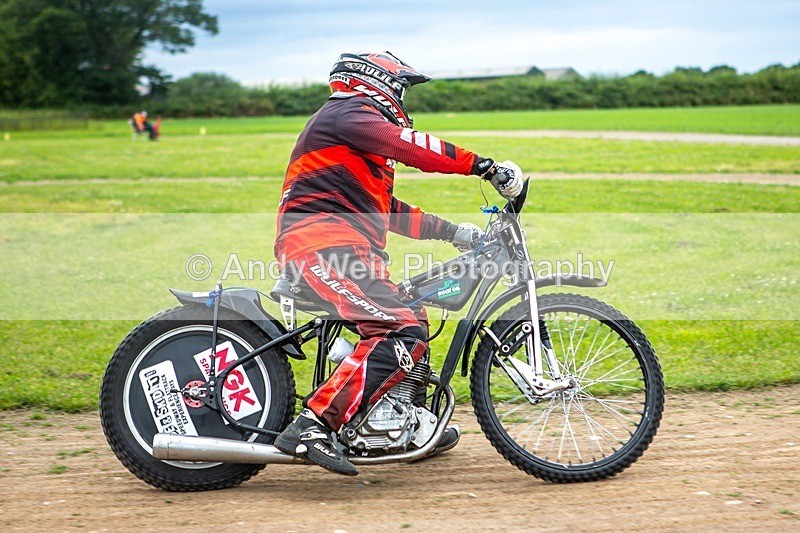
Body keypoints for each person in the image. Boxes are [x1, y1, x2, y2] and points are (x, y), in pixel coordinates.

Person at [273, 52, 524, 476]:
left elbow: (385, 209)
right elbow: (409, 146)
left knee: (413, 310)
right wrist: (482, 166)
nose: (403, 98)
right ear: (376, 80)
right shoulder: (348, 112)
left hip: (343, 248)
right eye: (401, 87)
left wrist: (457, 234)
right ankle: (313, 425)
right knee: (398, 327)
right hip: (321, 244)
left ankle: (401, 423)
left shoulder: (347, 135)